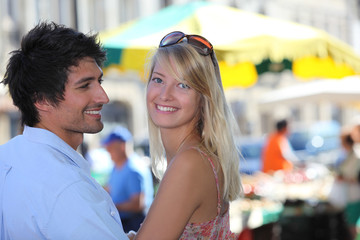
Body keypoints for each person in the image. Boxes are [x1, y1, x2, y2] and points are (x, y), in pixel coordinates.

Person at [0, 22, 130, 239]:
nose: (103, 97)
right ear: (41, 100)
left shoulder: (9, 156)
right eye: (84, 85)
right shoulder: (66, 187)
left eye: (99, 81)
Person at [133, 31, 242, 239]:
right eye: (158, 80)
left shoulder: (189, 163)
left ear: (204, 98)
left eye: (183, 85)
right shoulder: (200, 156)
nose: (165, 95)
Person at [102, 126, 154, 233]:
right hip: (122, 221)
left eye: (110, 147)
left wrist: (110, 207)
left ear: (122, 146)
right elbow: (109, 188)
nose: (108, 151)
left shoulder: (133, 169)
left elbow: (137, 205)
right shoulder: (116, 166)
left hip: (134, 224)